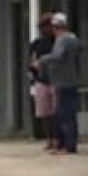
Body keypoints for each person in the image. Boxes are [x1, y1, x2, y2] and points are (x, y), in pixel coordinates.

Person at [40, 13, 84, 155]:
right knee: (69, 113)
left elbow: (58, 56)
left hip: (62, 81)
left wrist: (43, 59)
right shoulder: (73, 38)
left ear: (55, 27)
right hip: (72, 79)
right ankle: (69, 144)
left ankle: (68, 146)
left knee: (64, 113)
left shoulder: (62, 39)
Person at [28, 13, 56, 145]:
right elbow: (32, 60)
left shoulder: (58, 42)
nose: (44, 30)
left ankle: (58, 139)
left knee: (57, 111)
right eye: (42, 27)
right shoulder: (36, 44)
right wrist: (33, 69)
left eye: (46, 26)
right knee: (44, 113)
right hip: (40, 80)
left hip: (56, 80)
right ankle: (49, 139)